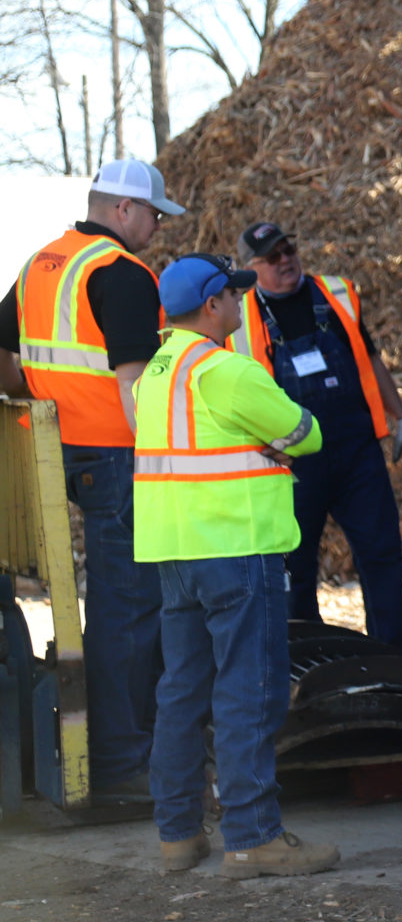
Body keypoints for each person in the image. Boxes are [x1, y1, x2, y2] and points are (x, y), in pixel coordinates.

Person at [133, 253, 338, 878]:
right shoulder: (226, 371)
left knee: (182, 691)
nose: (240, 304)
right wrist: (274, 437)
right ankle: (252, 838)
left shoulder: (156, 373)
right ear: (213, 303)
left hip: (174, 551)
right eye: (234, 295)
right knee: (250, 689)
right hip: (235, 547)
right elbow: (307, 433)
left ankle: (178, 837)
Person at [0, 159, 179, 798]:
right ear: (123, 210)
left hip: (62, 452)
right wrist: (166, 458)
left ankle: (121, 748)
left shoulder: (42, 263)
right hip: (119, 457)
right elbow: (134, 385)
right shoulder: (124, 275)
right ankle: (121, 760)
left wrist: (39, 399)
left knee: (112, 605)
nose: (158, 227)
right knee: (129, 608)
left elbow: (6, 357)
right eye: (155, 214)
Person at [230, 221, 402, 650]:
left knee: (382, 557)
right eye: (273, 257)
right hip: (289, 463)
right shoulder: (236, 318)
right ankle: (303, 662)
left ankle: (394, 660)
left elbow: (370, 360)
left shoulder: (336, 296)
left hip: (356, 452)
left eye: (289, 249)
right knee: (294, 568)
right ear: (251, 268)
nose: (286, 261)